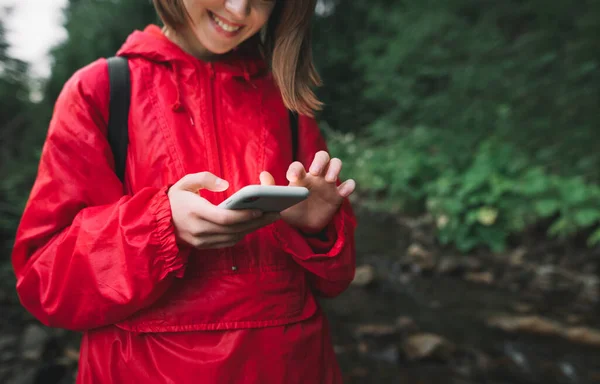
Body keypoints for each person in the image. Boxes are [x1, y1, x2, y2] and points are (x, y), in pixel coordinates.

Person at [11, 0, 357, 383]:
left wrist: (316, 229)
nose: (240, 10)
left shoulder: (287, 101)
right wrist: (159, 229)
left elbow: (335, 281)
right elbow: (44, 283)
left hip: (294, 366)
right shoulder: (100, 90)